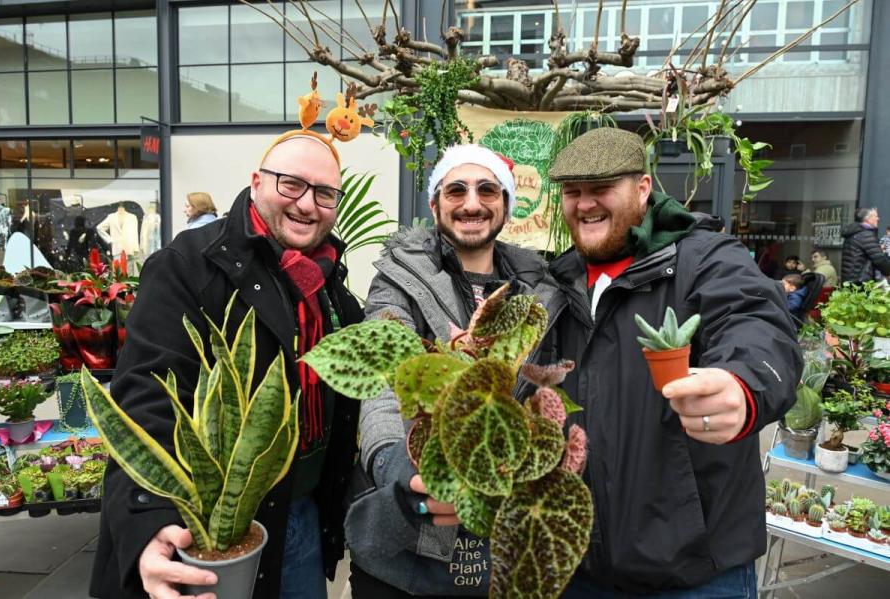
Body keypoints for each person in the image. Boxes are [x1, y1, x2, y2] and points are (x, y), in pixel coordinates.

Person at [89, 131, 364, 599]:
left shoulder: (330, 283)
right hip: (209, 529)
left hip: (303, 518)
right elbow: (145, 394)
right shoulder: (189, 264)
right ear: (256, 181)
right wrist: (151, 519)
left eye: (324, 193)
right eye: (291, 184)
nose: (307, 204)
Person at [537, 127, 801, 597]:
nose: (584, 204)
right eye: (572, 192)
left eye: (601, 189)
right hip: (580, 567)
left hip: (692, 572)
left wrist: (742, 384)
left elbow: (756, 322)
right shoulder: (558, 282)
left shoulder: (705, 258)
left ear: (643, 190)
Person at [345, 144, 558, 598]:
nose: (472, 203)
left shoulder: (540, 289)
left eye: (487, 190)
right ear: (435, 203)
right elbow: (386, 379)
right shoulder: (399, 279)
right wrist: (394, 464)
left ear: (505, 204)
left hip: (501, 545)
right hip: (407, 548)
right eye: (456, 189)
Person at [840, 207, 890, 284]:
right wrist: (888, 272)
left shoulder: (855, 232)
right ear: (867, 219)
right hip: (860, 282)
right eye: (875, 216)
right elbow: (880, 260)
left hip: (851, 280)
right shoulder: (866, 235)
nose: (878, 218)